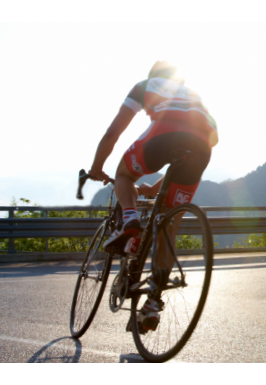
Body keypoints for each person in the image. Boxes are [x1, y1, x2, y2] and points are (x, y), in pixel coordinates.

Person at [87, 61, 217, 332]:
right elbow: (210, 138)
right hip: (202, 148)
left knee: (123, 175)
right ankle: (152, 303)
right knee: (170, 222)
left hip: (162, 136)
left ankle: (130, 220)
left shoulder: (144, 86)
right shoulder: (193, 94)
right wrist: (157, 187)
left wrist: (97, 167)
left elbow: (113, 133)